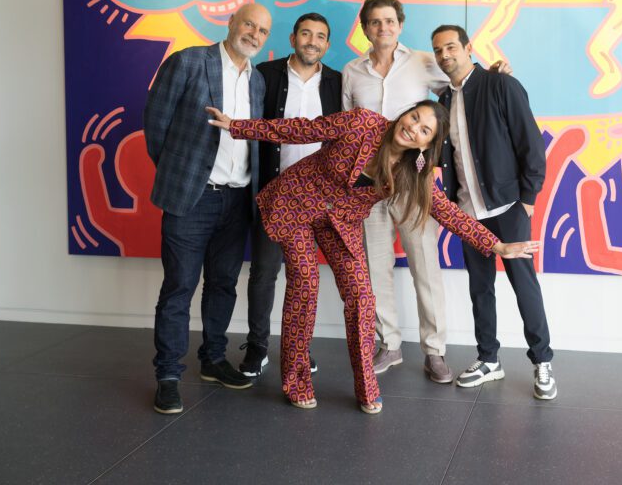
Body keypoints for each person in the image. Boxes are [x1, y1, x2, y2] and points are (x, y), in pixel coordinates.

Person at [206, 101, 539, 414]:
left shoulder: (413, 172)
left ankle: (365, 385)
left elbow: (446, 211)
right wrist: (238, 126)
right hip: (298, 203)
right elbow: (302, 129)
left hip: (341, 223)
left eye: (425, 130)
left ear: (426, 145)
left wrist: (497, 246)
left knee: (362, 298)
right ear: (405, 114)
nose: (414, 128)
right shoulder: (362, 122)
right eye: (414, 118)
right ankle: (295, 381)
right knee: (305, 284)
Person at [342, 0, 510, 383]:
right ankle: (390, 345)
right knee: (376, 268)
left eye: (390, 21)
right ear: (365, 28)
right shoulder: (352, 71)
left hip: (414, 179)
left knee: (425, 267)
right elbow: (348, 127)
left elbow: (460, 82)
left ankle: (434, 351)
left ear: (399, 25)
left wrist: (494, 72)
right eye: (375, 22)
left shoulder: (422, 61)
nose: (383, 28)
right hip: (368, 184)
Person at [143, 3, 268, 414]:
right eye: (248, 23)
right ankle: (168, 375)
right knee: (179, 287)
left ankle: (213, 359)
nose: (254, 33)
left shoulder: (258, 81)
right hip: (192, 198)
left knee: (222, 285)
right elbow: (156, 126)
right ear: (231, 22)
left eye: (262, 30)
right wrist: (181, 176)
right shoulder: (188, 61)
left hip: (237, 201)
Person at [431, 24, 558, 400]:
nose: (445, 55)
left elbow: (531, 144)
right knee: (480, 287)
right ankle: (489, 358)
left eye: (451, 47)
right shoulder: (442, 101)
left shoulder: (501, 85)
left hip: (509, 206)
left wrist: (529, 198)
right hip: (468, 210)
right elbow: (445, 156)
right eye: (438, 51)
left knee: (524, 284)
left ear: (468, 48)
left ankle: (542, 362)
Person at [239, 12, 341, 378]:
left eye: (320, 36)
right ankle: (258, 346)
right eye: (306, 34)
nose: (312, 41)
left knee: (304, 278)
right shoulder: (265, 76)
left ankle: (299, 346)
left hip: (317, 198)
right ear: (293, 38)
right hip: (273, 193)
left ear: (327, 44)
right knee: (264, 273)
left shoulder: (337, 84)